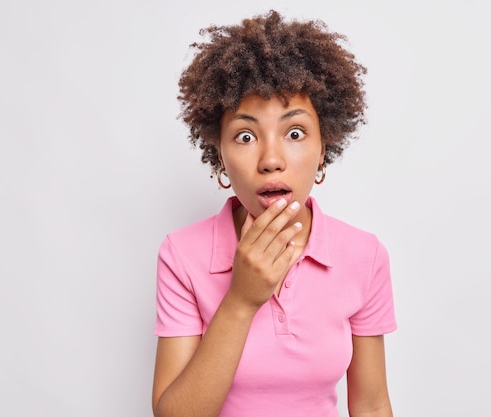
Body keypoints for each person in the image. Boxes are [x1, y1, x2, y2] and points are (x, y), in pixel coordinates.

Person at [152, 10, 396, 417]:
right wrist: (241, 300)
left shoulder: (364, 256)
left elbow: (371, 405)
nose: (271, 160)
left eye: (295, 133)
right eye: (245, 136)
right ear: (220, 156)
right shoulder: (181, 254)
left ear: (324, 147)